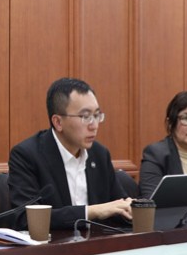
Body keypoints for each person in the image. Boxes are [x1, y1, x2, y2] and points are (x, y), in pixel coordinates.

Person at [8, 78, 132, 231]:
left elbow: (117, 207)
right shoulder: (27, 155)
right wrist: (91, 212)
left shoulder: (99, 154)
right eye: (85, 116)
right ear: (58, 122)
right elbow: (25, 219)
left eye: (97, 115)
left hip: (96, 243)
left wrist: (132, 209)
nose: (94, 125)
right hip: (53, 245)